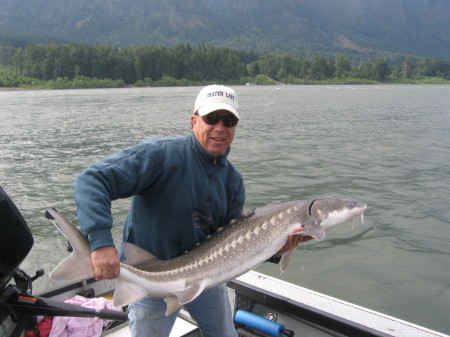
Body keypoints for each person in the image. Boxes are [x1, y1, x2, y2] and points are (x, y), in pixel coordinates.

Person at [73, 85, 306, 337]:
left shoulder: (233, 181)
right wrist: (100, 242)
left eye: (228, 120)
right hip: (149, 280)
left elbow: (232, 242)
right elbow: (93, 180)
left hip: (206, 281)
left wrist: (276, 250)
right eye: (211, 118)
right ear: (194, 120)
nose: (220, 127)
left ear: (235, 127)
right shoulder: (161, 156)